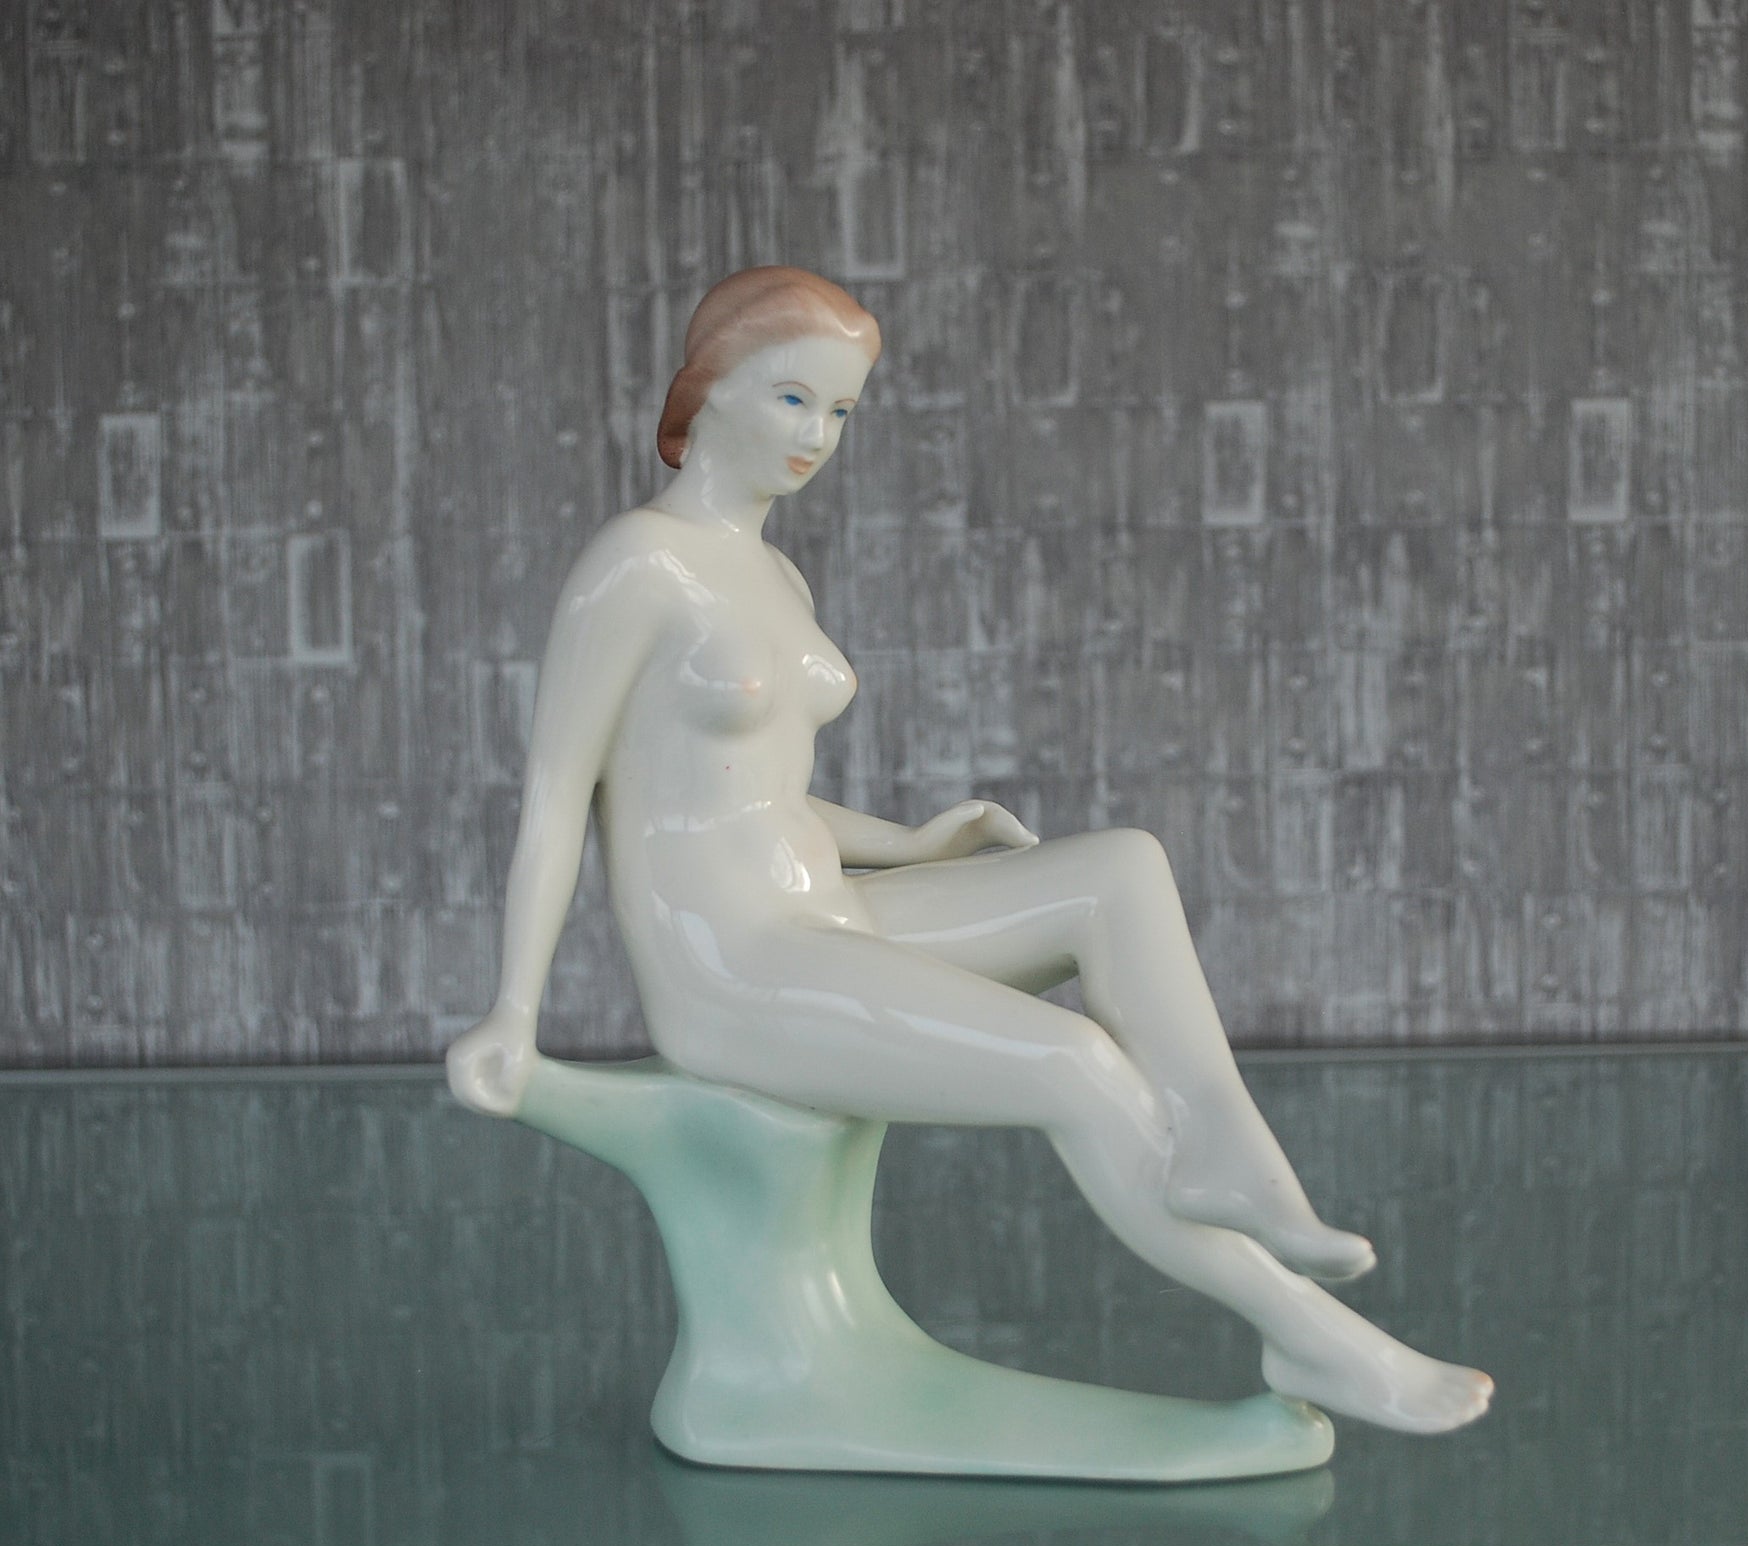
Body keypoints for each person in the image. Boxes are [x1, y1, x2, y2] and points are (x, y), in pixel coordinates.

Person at [447, 266, 1492, 1434]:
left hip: (826, 914)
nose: (816, 436)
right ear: (712, 387)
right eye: (792, 398)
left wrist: (905, 844)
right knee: (1075, 1065)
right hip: (729, 966)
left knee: (1119, 868)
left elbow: (751, 794)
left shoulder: (774, 572)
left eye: (840, 411)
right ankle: (1311, 1336)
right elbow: (558, 795)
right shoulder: (637, 562)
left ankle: (1225, 1148)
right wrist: (512, 1011)